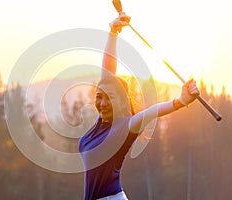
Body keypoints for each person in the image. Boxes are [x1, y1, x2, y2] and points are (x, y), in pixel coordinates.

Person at [78, 12, 200, 200]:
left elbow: (151, 112)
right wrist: (113, 33)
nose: (102, 103)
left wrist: (180, 101)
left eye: (109, 98)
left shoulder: (126, 125)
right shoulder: (100, 123)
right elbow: (107, 71)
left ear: (121, 101)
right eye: (99, 97)